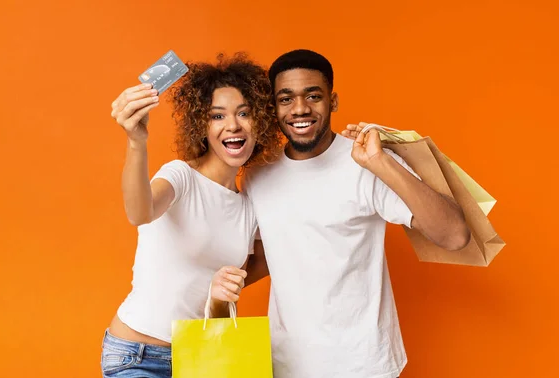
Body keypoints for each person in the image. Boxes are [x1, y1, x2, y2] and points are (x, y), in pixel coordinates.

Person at [243, 49, 471, 378]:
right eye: (286, 98)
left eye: (313, 96)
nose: (300, 109)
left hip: (363, 365)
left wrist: (382, 164)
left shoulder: (364, 162)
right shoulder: (258, 174)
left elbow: (454, 235)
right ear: (272, 106)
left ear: (332, 102)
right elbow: (270, 254)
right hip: (286, 365)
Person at [100, 52, 282, 378]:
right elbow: (140, 212)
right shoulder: (181, 176)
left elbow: (259, 264)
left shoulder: (249, 205)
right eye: (218, 116)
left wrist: (218, 292)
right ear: (202, 125)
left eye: (244, 113)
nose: (233, 125)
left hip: (200, 361)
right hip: (138, 356)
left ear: (261, 123)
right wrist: (136, 142)